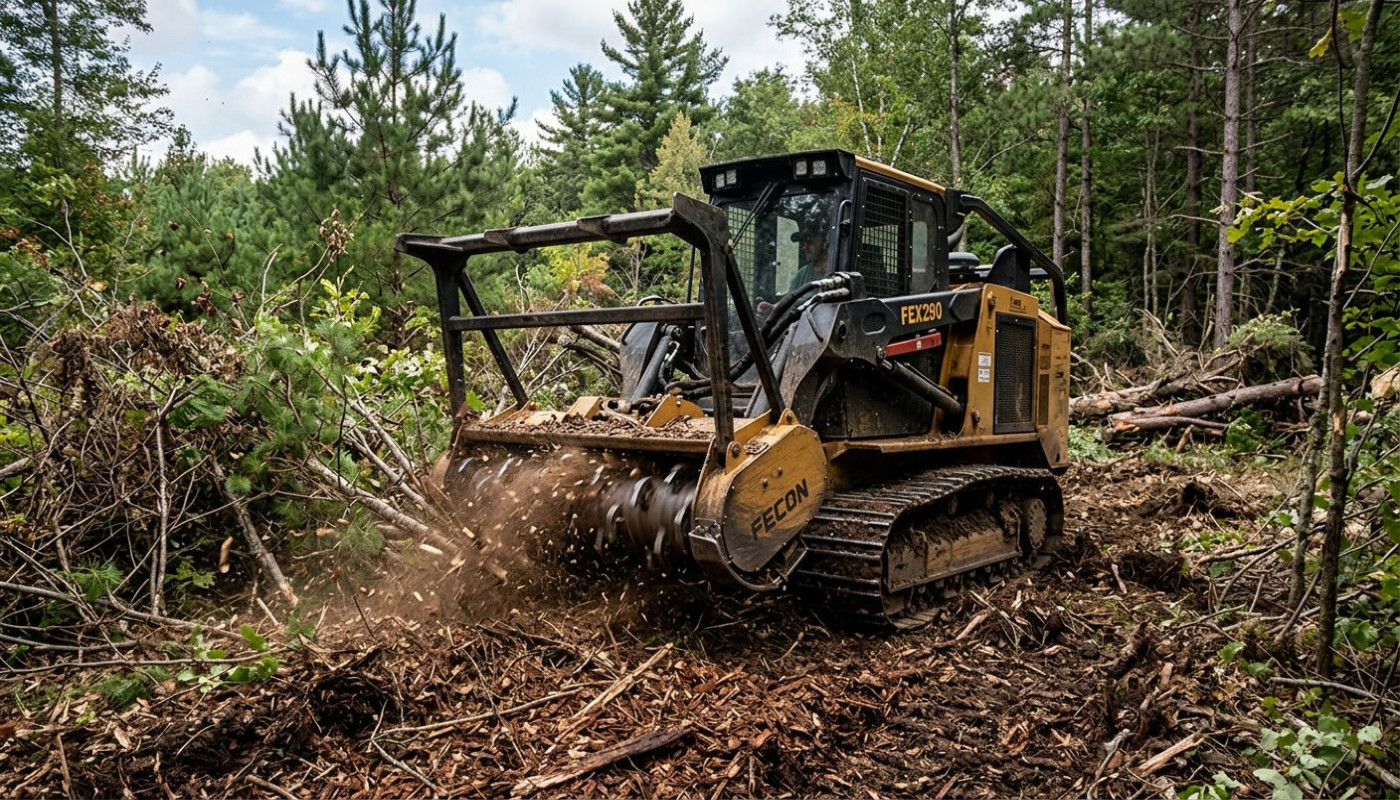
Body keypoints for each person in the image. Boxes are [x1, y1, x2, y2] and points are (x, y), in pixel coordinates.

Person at [789, 224, 831, 291]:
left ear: (824, 242)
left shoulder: (838, 271)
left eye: (810, 242)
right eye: (804, 243)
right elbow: (790, 296)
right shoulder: (801, 275)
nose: (805, 247)